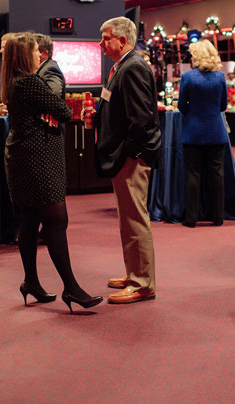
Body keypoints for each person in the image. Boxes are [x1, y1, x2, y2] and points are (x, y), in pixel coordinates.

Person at [2, 32, 102, 311]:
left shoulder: (14, 82)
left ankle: (31, 282)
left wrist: (49, 111)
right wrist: (52, 111)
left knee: (31, 221)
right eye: (35, 51)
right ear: (26, 55)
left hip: (26, 157)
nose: (40, 55)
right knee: (56, 220)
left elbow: (52, 109)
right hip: (38, 159)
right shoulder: (31, 82)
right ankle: (71, 288)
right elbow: (64, 111)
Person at [95, 17, 161, 304]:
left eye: (105, 37)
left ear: (121, 40)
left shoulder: (132, 67)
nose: (100, 43)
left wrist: (130, 154)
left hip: (131, 157)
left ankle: (142, 283)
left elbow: (142, 120)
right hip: (125, 155)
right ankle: (134, 272)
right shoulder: (123, 65)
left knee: (135, 220)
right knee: (128, 219)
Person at [178, 39, 228, 227]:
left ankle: (191, 218)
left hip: (193, 132)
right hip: (216, 131)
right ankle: (218, 217)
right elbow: (223, 106)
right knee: (217, 176)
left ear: (196, 56)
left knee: (193, 176)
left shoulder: (188, 77)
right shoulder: (220, 77)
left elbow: (182, 106)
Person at [34, 34, 64, 100]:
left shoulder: (50, 69)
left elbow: (54, 97)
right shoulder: (44, 68)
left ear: (44, 54)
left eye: (34, 50)